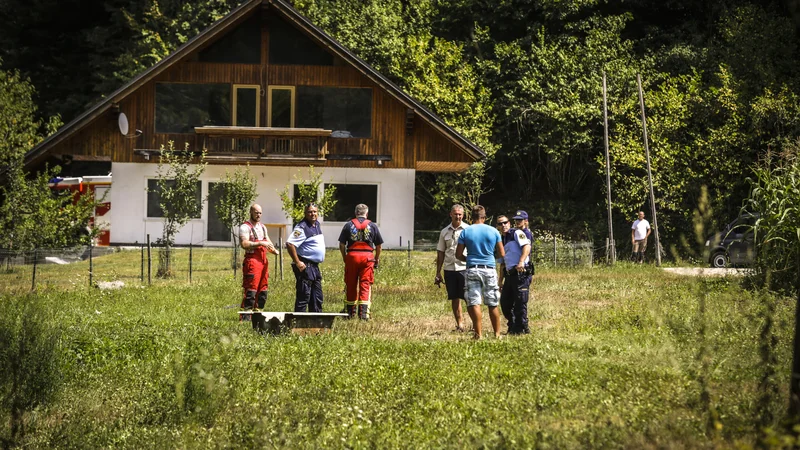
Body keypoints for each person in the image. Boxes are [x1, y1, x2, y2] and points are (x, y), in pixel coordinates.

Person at [455, 205, 505, 339]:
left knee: (474, 302)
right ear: (484, 217)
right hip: (489, 268)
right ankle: (497, 334)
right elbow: (501, 253)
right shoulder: (494, 231)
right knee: (492, 302)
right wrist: (490, 258)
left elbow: (458, 254)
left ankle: (478, 334)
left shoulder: (465, 232)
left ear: (471, 218)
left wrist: (469, 259)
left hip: (472, 269)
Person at [338, 203, 384, 320]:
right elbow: (378, 246)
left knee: (351, 284)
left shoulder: (348, 225)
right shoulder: (372, 226)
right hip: (367, 258)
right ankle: (363, 315)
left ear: (355, 213)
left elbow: (342, 244)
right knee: (365, 284)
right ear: (366, 213)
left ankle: (349, 313)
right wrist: (377, 258)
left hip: (352, 256)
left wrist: (345, 257)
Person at [435, 204, 470, 332]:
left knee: (468, 297)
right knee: (454, 298)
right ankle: (460, 325)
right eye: (455, 214)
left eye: (460, 214)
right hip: (449, 268)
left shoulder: (468, 230)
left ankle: (475, 324)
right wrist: (438, 272)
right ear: (451, 214)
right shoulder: (444, 232)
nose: (458, 216)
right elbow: (440, 252)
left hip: (464, 268)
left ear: (463, 215)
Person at [286, 203, 326, 313]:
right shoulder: (302, 227)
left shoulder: (316, 224)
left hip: (315, 267)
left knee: (317, 297)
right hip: (305, 266)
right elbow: (290, 244)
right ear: (305, 213)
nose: (312, 214)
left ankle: (316, 323)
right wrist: (297, 262)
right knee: (304, 295)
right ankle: (298, 322)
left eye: (314, 211)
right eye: (310, 212)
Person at [499, 211, 533, 335]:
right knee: (505, 303)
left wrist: (521, 261)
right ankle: (513, 325)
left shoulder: (517, 233)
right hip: (509, 274)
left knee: (520, 302)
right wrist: (499, 281)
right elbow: (502, 262)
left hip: (520, 272)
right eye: (500, 224)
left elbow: (527, 247)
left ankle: (521, 328)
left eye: (505, 222)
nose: (503, 225)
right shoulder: (501, 239)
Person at [240, 204, 278, 312]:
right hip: (252, 260)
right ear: (251, 212)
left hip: (263, 260)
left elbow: (267, 241)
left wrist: (274, 250)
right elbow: (244, 244)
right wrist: (260, 243)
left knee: (263, 288)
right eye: (256, 212)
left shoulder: (262, 227)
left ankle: (258, 315)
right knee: (251, 288)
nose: (258, 215)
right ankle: (246, 316)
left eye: (260, 213)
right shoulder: (245, 227)